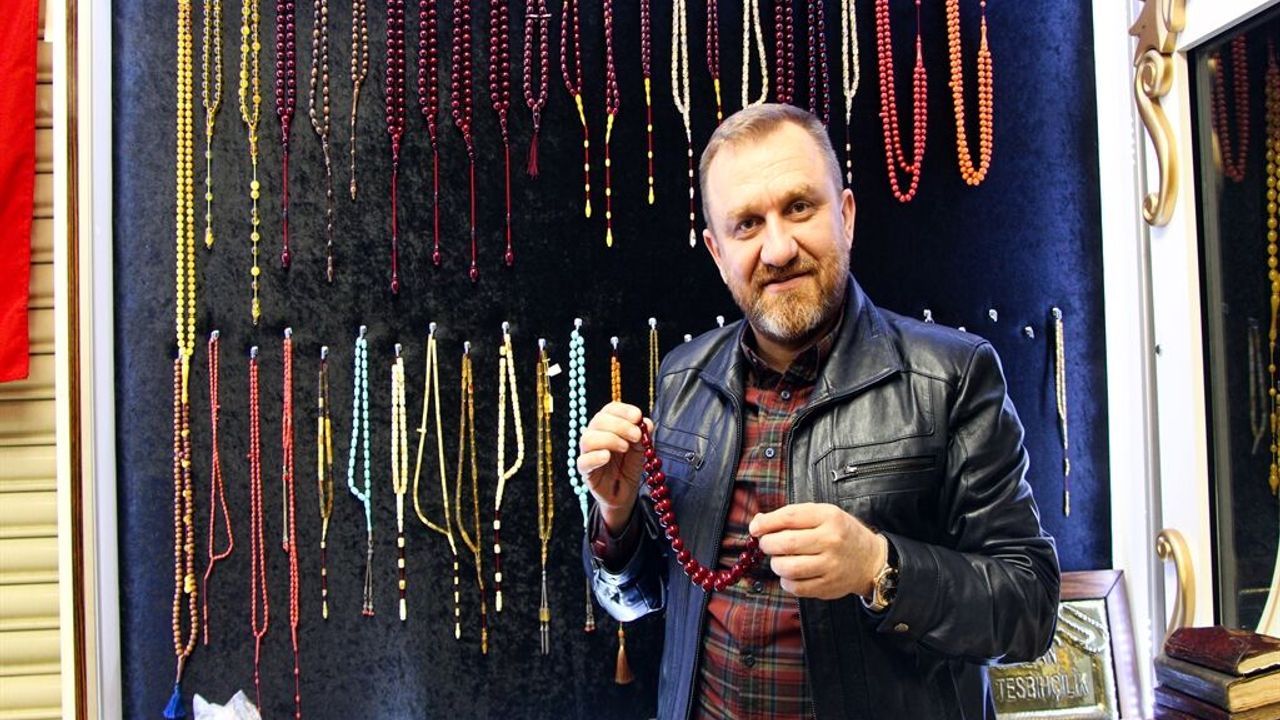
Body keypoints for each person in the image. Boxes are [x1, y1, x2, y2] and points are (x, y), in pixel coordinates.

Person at [577, 104, 1060, 719]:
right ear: (717, 253)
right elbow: (637, 599)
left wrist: (879, 568)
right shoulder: (683, 376)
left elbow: (1030, 611)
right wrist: (616, 516)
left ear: (846, 215)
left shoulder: (950, 377)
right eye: (747, 225)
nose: (778, 249)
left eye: (799, 207)